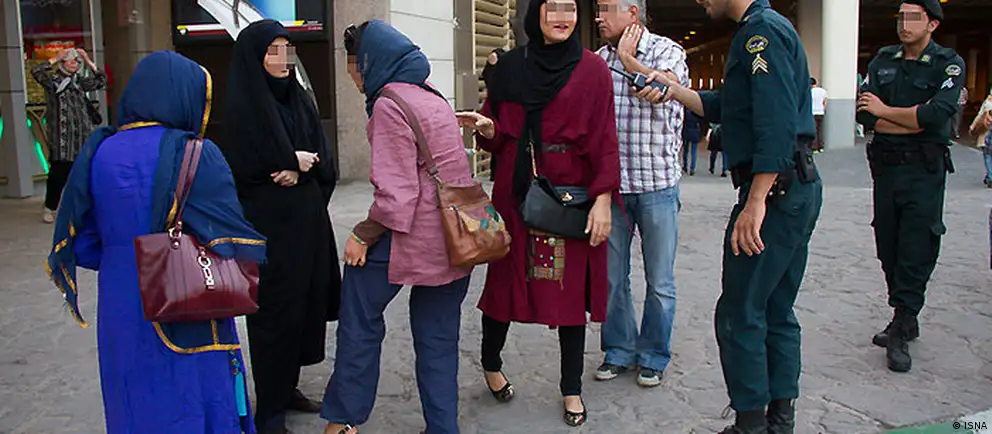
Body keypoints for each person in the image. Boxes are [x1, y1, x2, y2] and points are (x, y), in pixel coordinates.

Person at [45, 50, 263, 434]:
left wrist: (125, 256)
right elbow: (228, 238)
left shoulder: (99, 150)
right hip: (186, 296)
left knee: (132, 397)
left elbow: (85, 242)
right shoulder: (195, 151)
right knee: (193, 393)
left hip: (121, 299)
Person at [646, 0, 823, 432]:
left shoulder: (761, 33)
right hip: (793, 187)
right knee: (775, 309)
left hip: (776, 193)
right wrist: (673, 88)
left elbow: (776, 121)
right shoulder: (759, 28)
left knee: (740, 312)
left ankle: (751, 425)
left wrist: (756, 200)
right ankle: (778, 421)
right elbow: (729, 105)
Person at [457, 0, 620, 427]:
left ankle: (571, 389)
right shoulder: (510, 67)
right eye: (553, 8)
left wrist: (603, 198)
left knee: (570, 290)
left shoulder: (593, 70)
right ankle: (491, 364)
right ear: (536, 14)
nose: (563, 17)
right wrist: (488, 129)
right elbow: (497, 131)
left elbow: (605, 137)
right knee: (505, 282)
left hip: (571, 194)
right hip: (518, 190)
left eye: (570, 8)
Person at [320, 21, 475, 434]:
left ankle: (343, 420)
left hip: (414, 235)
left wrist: (361, 235)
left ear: (370, 61)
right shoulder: (430, 93)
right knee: (438, 340)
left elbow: (397, 198)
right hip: (457, 237)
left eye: (353, 65)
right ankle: (443, 428)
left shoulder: (389, 104)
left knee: (359, 314)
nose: (353, 76)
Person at [222, 20, 342, 434]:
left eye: (287, 48)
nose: (283, 58)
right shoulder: (242, 107)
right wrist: (289, 160)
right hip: (268, 232)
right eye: (272, 50)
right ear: (255, 57)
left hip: (307, 226)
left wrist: (300, 167)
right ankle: (269, 410)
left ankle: (288, 388)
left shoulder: (300, 99)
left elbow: (324, 158)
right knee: (274, 315)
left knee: (304, 309)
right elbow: (241, 168)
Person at [856, 0, 963, 374]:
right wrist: (908, 120)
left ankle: (903, 322)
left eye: (913, 17)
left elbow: (937, 116)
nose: (904, 23)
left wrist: (886, 111)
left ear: (932, 24)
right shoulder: (882, 60)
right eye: (901, 16)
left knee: (917, 244)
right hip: (886, 170)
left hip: (924, 171)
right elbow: (865, 115)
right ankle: (904, 313)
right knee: (887, 243)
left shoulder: (947, 64)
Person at [592, 0, 688, 389]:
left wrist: (629, 62)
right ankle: (618, 350)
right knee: (612, 279)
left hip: (657, 186)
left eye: (606, 9)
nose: (598, 17)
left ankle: (653, 356)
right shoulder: (597, 61)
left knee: (659, 281)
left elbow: (662, 90)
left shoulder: (668, 51)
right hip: (613, 191)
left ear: (632, 13)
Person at [31, 47, 107, 224]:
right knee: (59, 173)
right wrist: (55, 58)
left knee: (86, 172)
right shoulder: (53, 81)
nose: (74, 64)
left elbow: (101, 80)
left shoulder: (79, 82)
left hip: (83, 135)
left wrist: (88, 60)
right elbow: (36, 71)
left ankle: (84, 208)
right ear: (62, 63)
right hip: (63, 138)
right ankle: (50, 206)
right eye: (70, 60)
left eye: (77, 61)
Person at [968, 89, 992, 187]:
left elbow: (980, 116)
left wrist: (972, 127)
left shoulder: (988, 103)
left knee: (988, 156)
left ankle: (990, 177)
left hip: (986, 133)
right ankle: (989, 176)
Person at [810, 77, 828, 152]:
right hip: (821, 112)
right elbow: (825, 102)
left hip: (813, 112)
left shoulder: (809, 92)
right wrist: (823, 109)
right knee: (820, 130)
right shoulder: (823, 91)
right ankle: (821, 147)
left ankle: (814, 147)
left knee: (814, 130)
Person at [683, 108, 702, 175]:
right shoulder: (697, 112)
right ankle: (692, 168)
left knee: (685, 150)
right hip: (695, 132)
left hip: (686, 132)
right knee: (694, 151)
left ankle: (685, 165)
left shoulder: (685, 113)